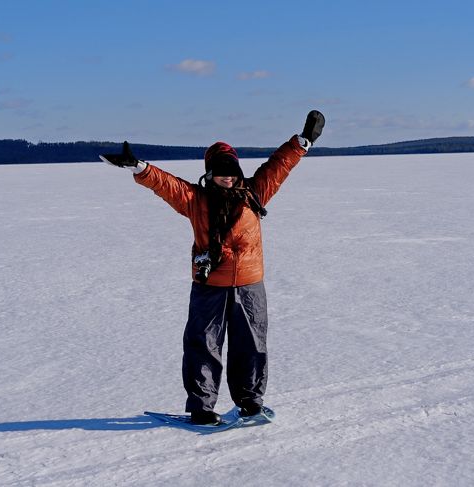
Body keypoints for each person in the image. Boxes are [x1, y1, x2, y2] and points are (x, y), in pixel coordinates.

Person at [101, 111, 325, 425]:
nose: (227, 177)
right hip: (209, 287)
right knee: (202, 345)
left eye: (231, 172)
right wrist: (140, 167)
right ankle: (202, 408)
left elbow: (278, 166)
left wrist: (302, 143)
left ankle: (250, 403)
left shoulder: (254, 193)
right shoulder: (197, 200)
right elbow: (168, 186)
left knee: (251, 346)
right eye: (220, 173)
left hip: (249, 286)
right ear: (210, 173)